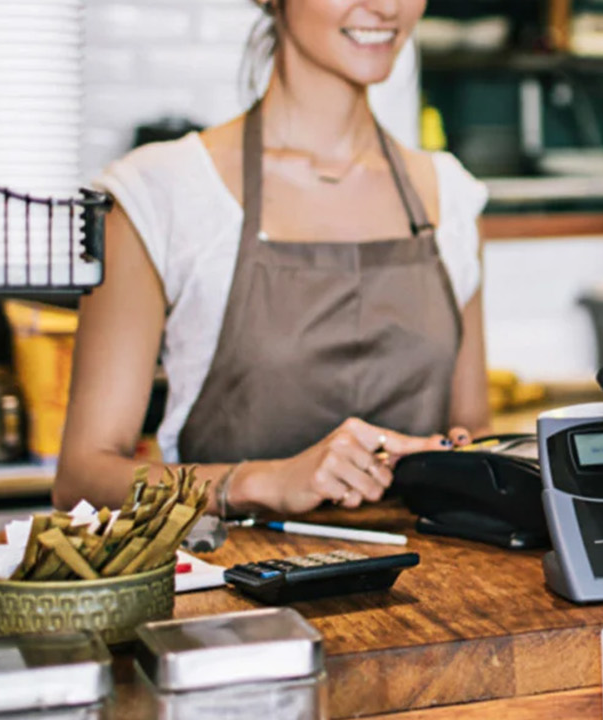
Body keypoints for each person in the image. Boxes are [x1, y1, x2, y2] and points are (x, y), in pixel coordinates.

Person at [56, 0, 491, 517]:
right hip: (231, 585)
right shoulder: (161, 193)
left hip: (433, 584)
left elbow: (474, 430)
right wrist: (264, 481)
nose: (386, 6)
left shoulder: (451, 196)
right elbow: (84, 478)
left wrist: (464, 456)